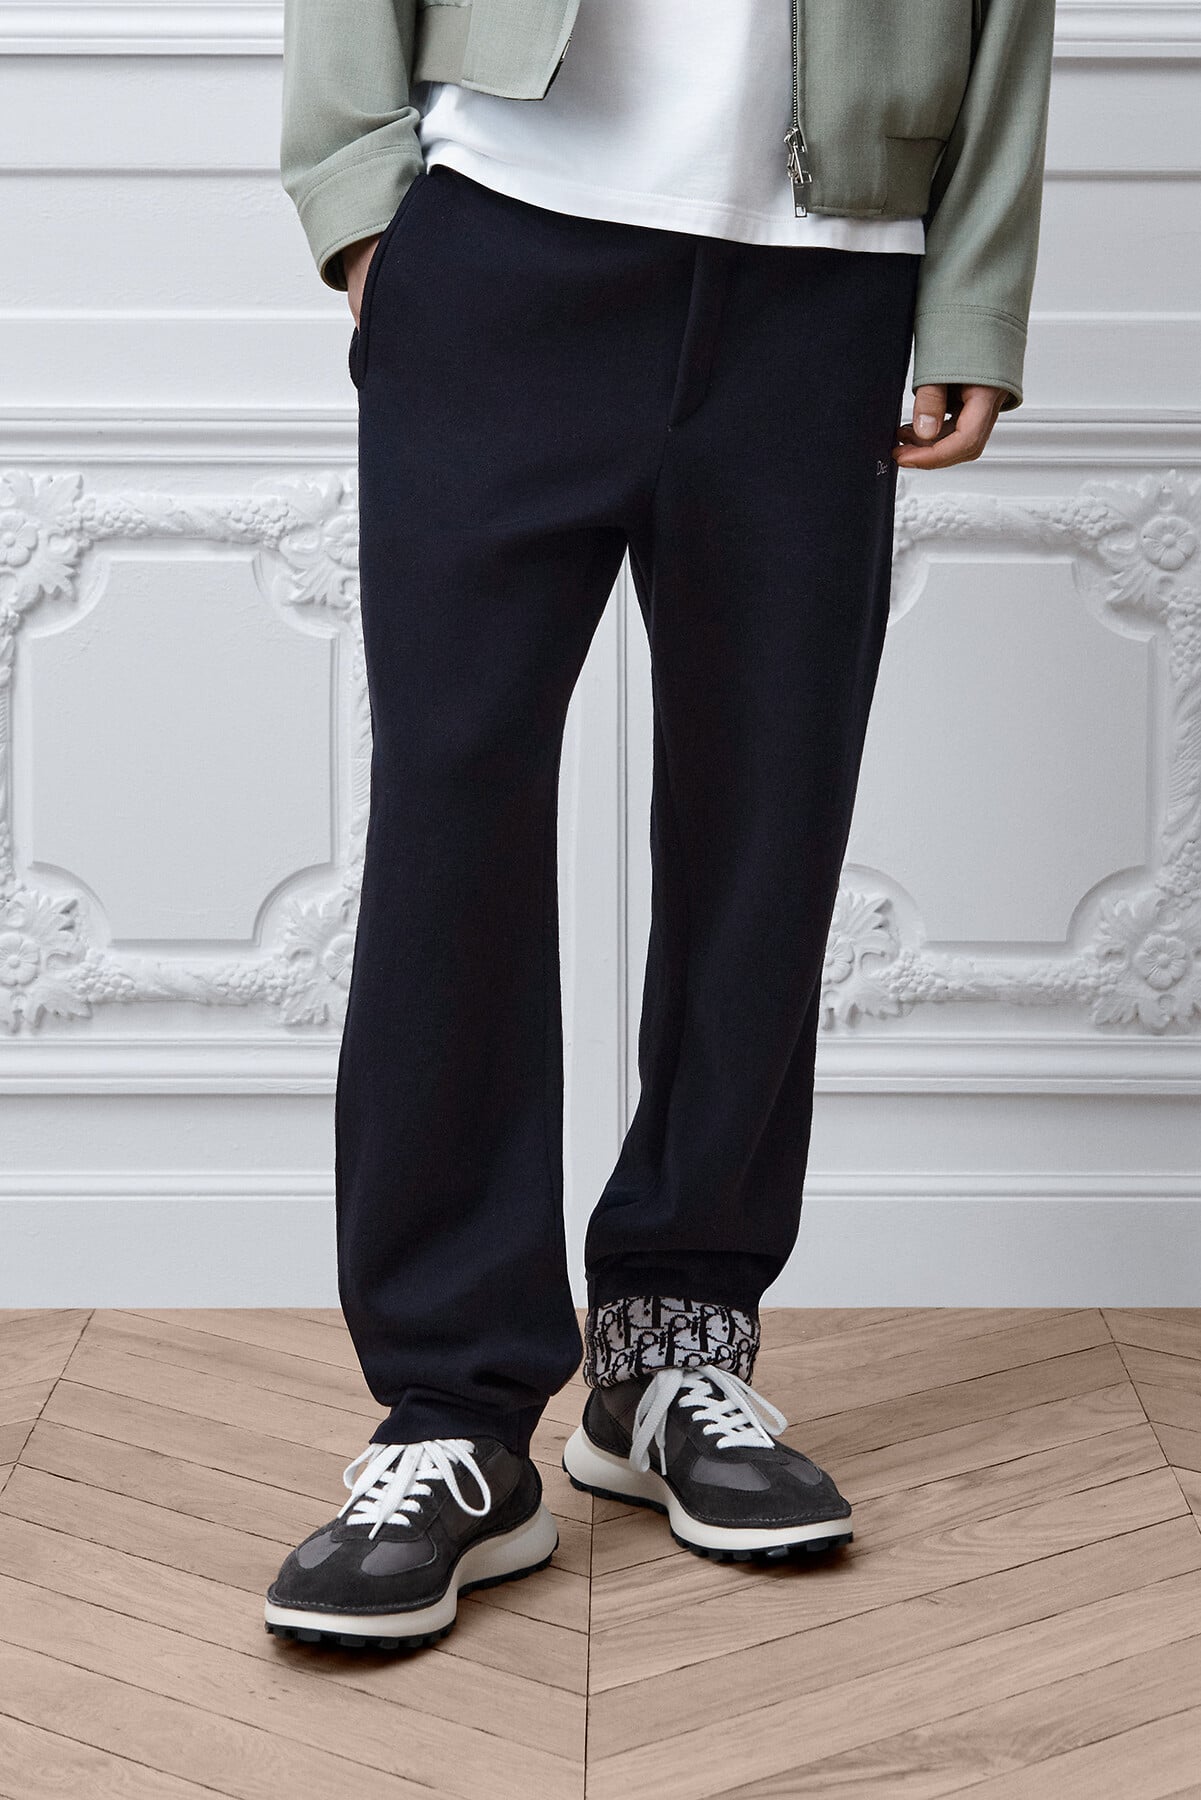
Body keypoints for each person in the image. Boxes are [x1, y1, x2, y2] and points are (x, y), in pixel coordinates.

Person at [264, 0, 1056, 1651]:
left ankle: (671, 1351)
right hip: (503, 249)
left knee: (765, 824)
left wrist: (972, 293)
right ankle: (452, 1410)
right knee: (454, 823)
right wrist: (359, 204)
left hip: (826, 288)